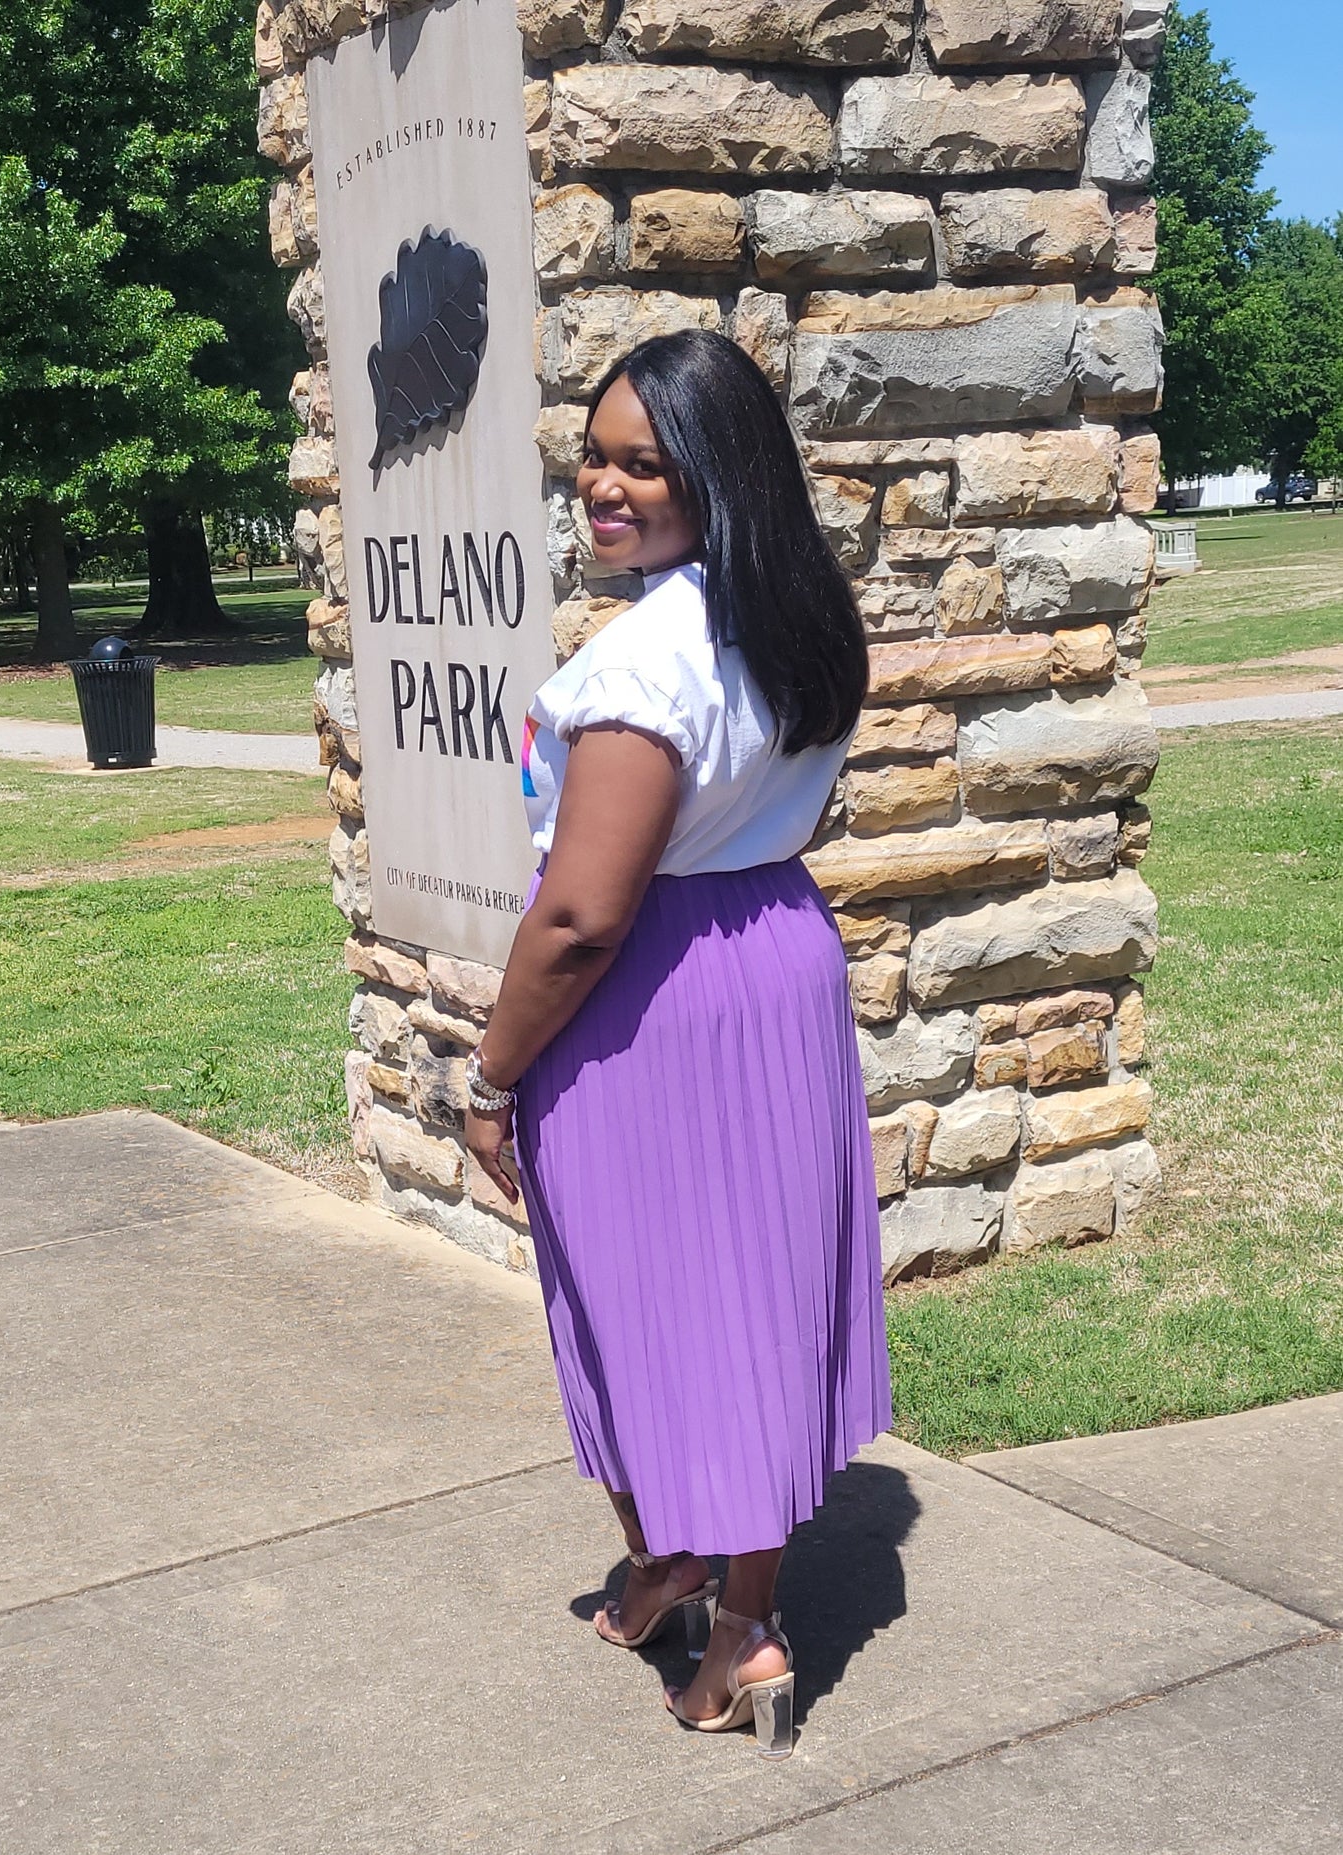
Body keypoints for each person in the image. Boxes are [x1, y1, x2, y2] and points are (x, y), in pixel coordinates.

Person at [465, 328, 891, 1760]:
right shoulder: (795, 624)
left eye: (643, 463)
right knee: (752, 1306)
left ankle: (730, 1617)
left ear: (718, 477)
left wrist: (488, 1077)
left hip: (650, 992)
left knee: (635, 1307)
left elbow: (581, 914)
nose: (605, 482)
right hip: (774, 956)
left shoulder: (646, 659)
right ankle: (698, 1584)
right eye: (594, 453)